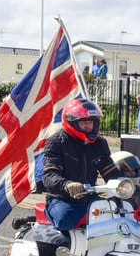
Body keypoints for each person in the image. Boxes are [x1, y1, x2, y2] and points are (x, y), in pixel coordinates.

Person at [42, 98, 122, 231]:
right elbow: (49, 176)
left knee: (116, 213)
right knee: (67, 219)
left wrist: (128, 184)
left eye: (90, 122)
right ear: (71, 122)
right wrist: (67, 185)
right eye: (84, 122)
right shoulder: (56, 142)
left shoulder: (99, 143)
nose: (88, 126)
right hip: (62, 198)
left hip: (89, 196)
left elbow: (110, 171)